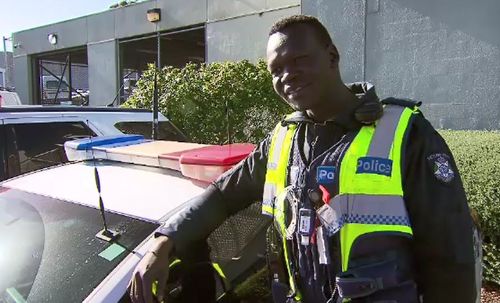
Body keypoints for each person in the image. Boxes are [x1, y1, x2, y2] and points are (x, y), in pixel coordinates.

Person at [128, 15, 477, 303]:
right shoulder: (283, 139)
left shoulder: (405, 134)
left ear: (332, 56)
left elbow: (452, 260)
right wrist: (164, 241)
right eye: (276, 69)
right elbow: (222, 195)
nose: (286, 75)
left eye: (299, 60)